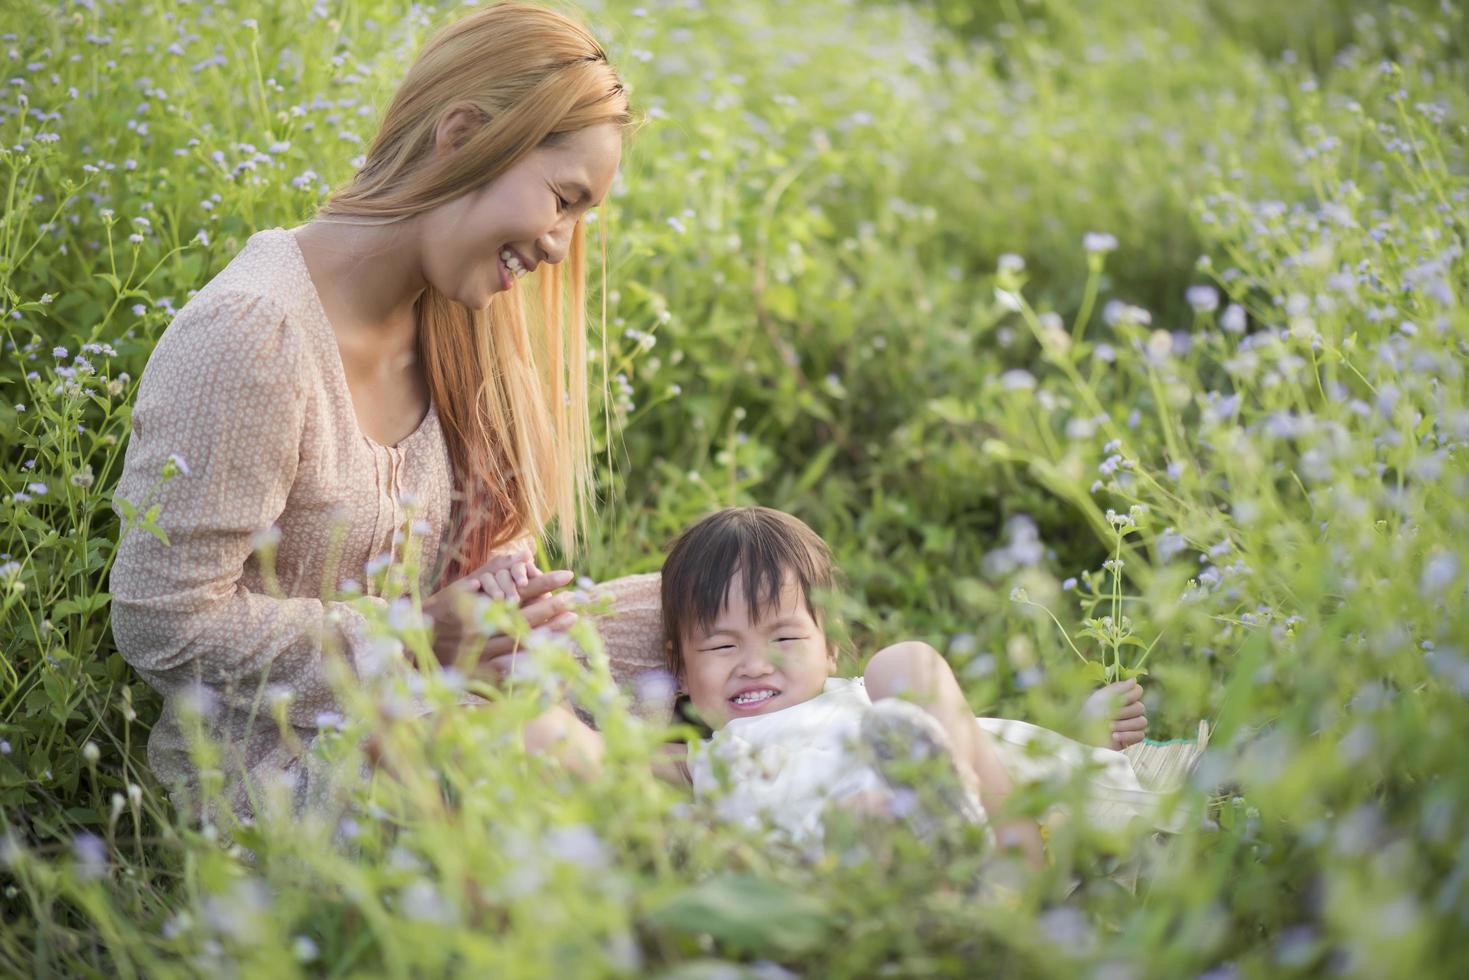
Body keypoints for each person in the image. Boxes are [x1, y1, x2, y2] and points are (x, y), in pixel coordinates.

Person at [108, 2, 664, 822]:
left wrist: (506, 600)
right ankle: (706, 813)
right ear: (463, 133)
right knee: (537, 746)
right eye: (562, 199)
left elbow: (485, 549)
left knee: (699, 616)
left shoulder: (456, 314)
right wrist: (403, 639)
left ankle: (739, 778)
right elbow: (163, 625)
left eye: (581, 217)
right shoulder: (252, 336)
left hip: (441, 695)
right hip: (292, 753)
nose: (559, 247)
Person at [659, 507, 1208, 856]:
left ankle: (1017, 833)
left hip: (971, 794)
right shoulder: (701, 759)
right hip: (865, 846)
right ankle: (990, 856)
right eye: (722, 645)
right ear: (680, 668)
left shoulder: (864, 697)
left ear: (829, 649)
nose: (755, 663)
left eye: (783, 638)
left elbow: (972, 734)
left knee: (904, 663)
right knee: (869, 813)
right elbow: (589, 756)